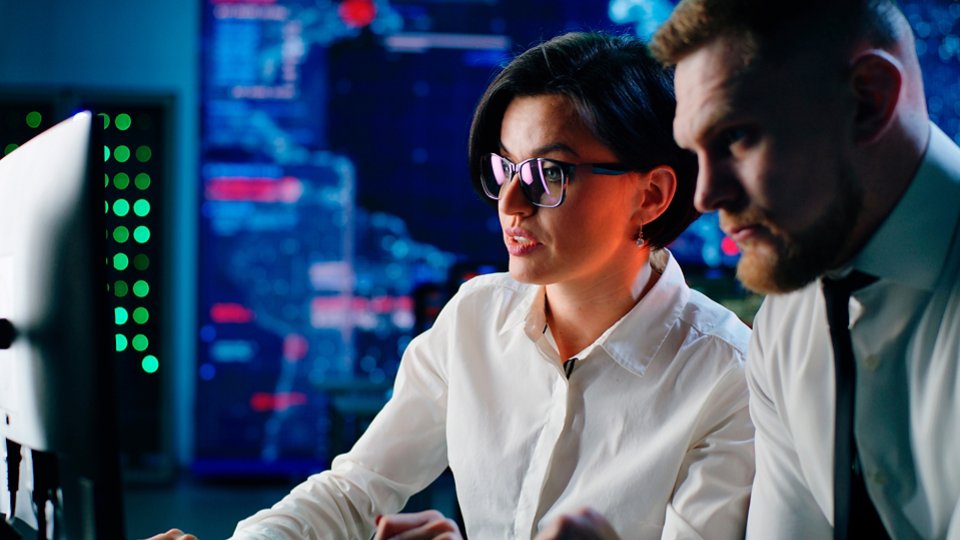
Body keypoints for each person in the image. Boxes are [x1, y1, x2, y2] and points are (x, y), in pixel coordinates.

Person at [151, 31, 753, 540]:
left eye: (549, 173)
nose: (510, 203)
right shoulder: (475, 320)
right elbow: (357, 490)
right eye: (506, 169)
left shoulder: (729, 377)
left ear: (650, 195)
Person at [650, 0, 960, 538]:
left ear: (868, 100)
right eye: (695, 153)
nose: (704, 195)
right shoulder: (782, 328)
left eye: (736, 137)